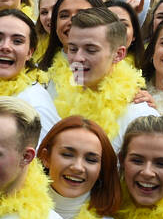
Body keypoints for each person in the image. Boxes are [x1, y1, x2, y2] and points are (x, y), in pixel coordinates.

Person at [48, 8, 157, 151]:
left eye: (91, 50)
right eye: (72, 49)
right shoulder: (61, 97)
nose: (77, 58)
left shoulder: (139, 115)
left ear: (118, 54)